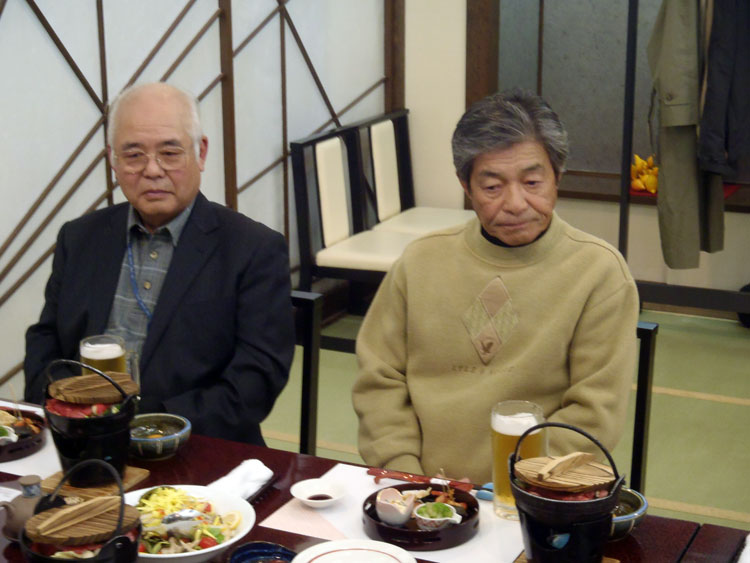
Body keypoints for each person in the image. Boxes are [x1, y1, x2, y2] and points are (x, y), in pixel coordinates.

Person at [352, 89, 639, 484]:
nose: (516, 203)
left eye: (532, 182)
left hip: (539, 491)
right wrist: (407, 477)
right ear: (466, 186)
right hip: (419, 489)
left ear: (557, 176)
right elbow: (379, 381)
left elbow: (593, 414)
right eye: (492, 187)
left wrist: (507, 489)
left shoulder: (599, 273)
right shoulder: (420, 262)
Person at [24, 82, 295, 445]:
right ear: (113, 160)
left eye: (169, 153)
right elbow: (45, 339)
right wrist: (64, 405)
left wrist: (148, 425)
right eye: (134, 155)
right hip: (80, 441)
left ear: (200, 153)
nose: (152, 170)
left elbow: (255, 382)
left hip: (198, 448)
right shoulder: (79, 237)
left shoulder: (252, 249)